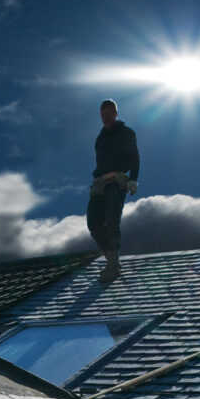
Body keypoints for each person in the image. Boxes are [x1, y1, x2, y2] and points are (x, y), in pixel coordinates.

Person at [87, 99, 140, 284]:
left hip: (117, 181)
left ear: (115, 114)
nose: (106, 119)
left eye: (109, 115)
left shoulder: (126, 133)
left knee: (111, 220)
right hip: (99, 183)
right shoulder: (100, 139)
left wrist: (133, 179)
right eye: (103, 116)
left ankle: (113, 264)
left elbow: (134, 158)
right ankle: (111, 260)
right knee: (93, 223)